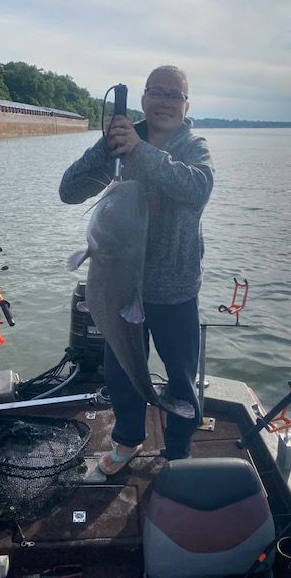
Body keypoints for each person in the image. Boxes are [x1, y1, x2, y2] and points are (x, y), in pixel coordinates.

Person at [59, 65, 214, 473]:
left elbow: (197, 188)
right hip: (118, 289)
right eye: (156, 92)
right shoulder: (119, 140)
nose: (165, 102)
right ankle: (127, 441)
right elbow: (70, 192)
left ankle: (178, 450)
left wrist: (140, 152)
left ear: (186, 104)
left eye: (174, 95)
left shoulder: (194, 146)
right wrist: (107, 147)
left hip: (175, 290)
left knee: (181, 376)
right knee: (121, 373)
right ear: (143, 99)